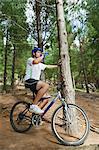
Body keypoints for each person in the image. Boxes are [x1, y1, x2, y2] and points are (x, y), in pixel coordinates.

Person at [24, 47, 56, 114]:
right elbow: (35, 61)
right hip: (29, 81)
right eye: (38, 52)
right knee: (46, 85)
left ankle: (35, 116)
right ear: (34, 53)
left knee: (46, 99)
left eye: (40, 52)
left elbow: (48, 66)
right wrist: (43, 56)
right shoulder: (30, 60)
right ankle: (33, 106)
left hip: (35, 83)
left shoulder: (40, 64)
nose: (40, 54)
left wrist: (58, 65)